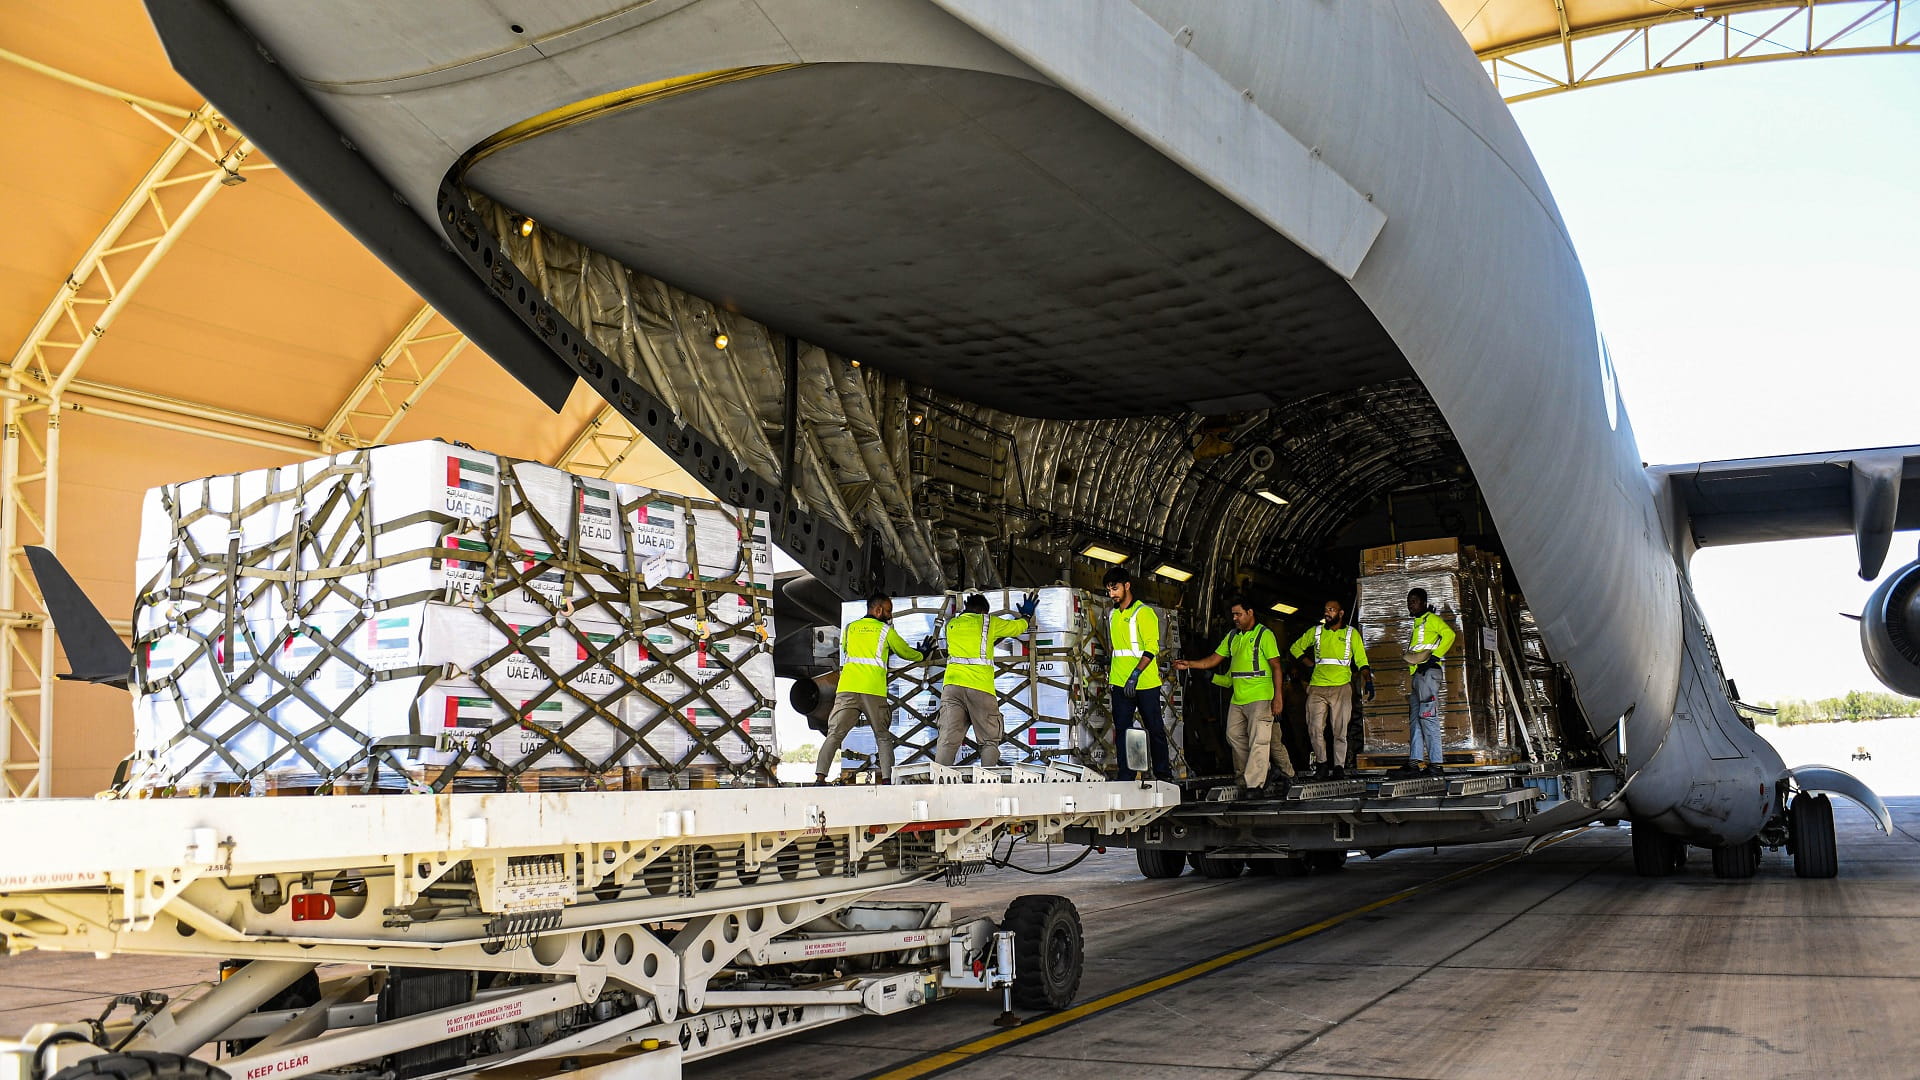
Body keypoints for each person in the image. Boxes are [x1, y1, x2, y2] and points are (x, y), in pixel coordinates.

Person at [1174, 596, 1293, 794]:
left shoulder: (1265, 635)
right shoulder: (1232, 637)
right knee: (1233, 736)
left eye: (1238, 614)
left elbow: (1276, 667)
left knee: (1259, 740)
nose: (1235, 618)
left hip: (1261, 697)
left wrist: (1278, 697)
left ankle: (1255, 784)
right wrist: (1190, 664)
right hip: (1238, 698)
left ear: (1250, 613)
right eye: (1233, 615)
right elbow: (1214, 659)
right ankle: (1261, 772)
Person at [816, 593, 923, 784]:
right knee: (882, 736)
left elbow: (847, 650)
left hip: (847, 688)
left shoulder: (850, 628)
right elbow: (904, 651)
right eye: (888, 611)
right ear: (878, 610)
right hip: (872, 689)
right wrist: (922, 654)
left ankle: (820, 777)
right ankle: (887, 780)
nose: (890, 616)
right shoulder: (885, 631)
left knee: (834, 734)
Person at [935, 591, 1035, 767]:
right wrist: (1026, 616)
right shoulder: (988, 622)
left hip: (952, 688)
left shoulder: (951, 625)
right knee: (989, 740)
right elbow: (1016, 628)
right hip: (980, 687)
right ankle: (987, 776)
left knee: (948, 739)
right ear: (983, 611)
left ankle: (938, 778)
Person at [1288, 599, 1373, 779]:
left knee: (1340, 730)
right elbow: (1295, 647)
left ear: (1341, 614)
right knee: (1314, 728)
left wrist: (1368, 680)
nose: (1327, 613)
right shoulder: (1316, 631)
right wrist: (1308, 663)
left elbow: (1361, 660)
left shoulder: (1351, 634)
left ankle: (1339, 766)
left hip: (1341, 688)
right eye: (1326, 609)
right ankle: (1322, 764)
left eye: (1332, 610)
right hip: (1317, 687)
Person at [1105, 567, 1172, 781]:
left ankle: (1163, 774)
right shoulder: (1113, 614)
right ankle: (1127, 775)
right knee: (1123, 731)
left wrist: (1135, 674)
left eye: (1115, 589)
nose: (1112, 594)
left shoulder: (1144, 613)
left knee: (1154, 729)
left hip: (1144, 683)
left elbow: (1151, 648)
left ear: (1127, 586)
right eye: (1109, 590)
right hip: (1119, 682)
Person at [1401, 587, 1457, 778]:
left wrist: (1434, 658)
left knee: (1428, 717)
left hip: (1428, 674)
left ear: (1424, 603)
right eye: (1409, 601)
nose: (1410, 604)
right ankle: (1415, 761)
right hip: (1418, 675)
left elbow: (1450, 635)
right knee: (1416, 719)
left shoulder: (1431, 619)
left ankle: (1436, 763)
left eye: (1414, 601)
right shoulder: (1419, 622)